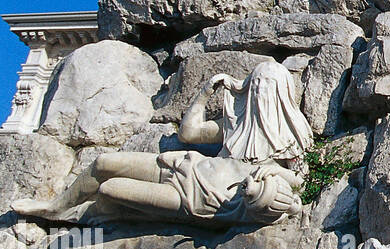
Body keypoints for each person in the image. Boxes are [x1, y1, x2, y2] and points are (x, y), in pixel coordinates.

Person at [12, 62, 310, 228]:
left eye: (264, 87)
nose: (258, 93)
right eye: (255, 84)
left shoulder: (292, 138)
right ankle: (54, 207)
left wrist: (266, 182)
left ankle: (86, 218)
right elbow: (189, 133)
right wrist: (206, 92)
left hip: (204, 202)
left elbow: (296, 184)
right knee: (103, 165)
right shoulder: (235, 126)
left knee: (109, 190)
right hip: (186, 167)